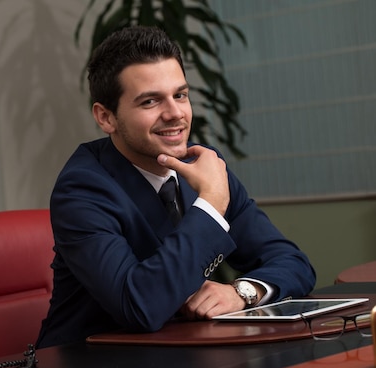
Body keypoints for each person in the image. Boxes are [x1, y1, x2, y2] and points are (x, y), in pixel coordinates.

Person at [35, 26, 316, 349]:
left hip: (181, 359)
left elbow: (294, 263)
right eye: (150, 101)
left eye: (180, 95)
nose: (175, 114)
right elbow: (140, 305)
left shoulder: (203, 166)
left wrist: (242, 292)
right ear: (106, 117)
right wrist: (211, 203)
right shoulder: (82, 189)